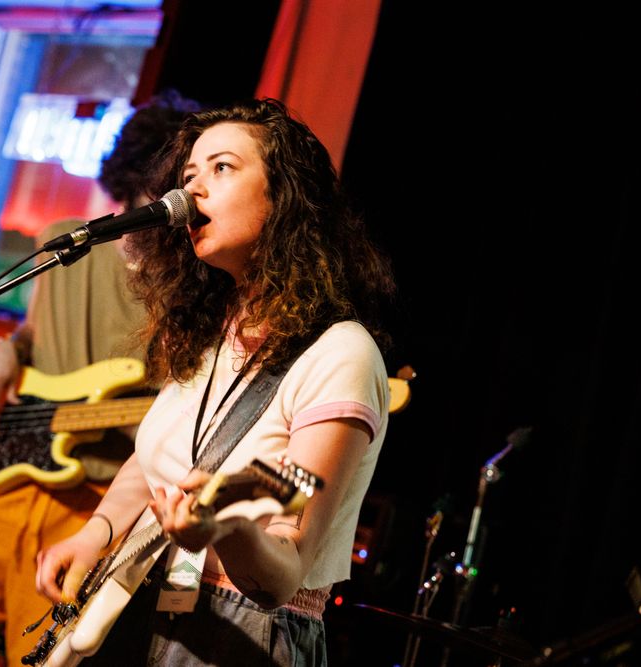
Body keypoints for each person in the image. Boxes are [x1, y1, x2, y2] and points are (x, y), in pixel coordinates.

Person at [34, 98, 397, 666]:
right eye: (187, 176)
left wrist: (225, 528)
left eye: (222, 168)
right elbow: (157, 462)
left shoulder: (340, 355)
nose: (192, 190)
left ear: (284, 196)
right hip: (153, 607)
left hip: (246, 633)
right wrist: (96, 533)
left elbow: (284, 569)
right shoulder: (209, 336)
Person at [0, 90, 200, 667]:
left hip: (94, 505)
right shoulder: (66, 240)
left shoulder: (190, 287)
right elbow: (33, 330)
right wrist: (6, 347)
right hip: (0, 482)